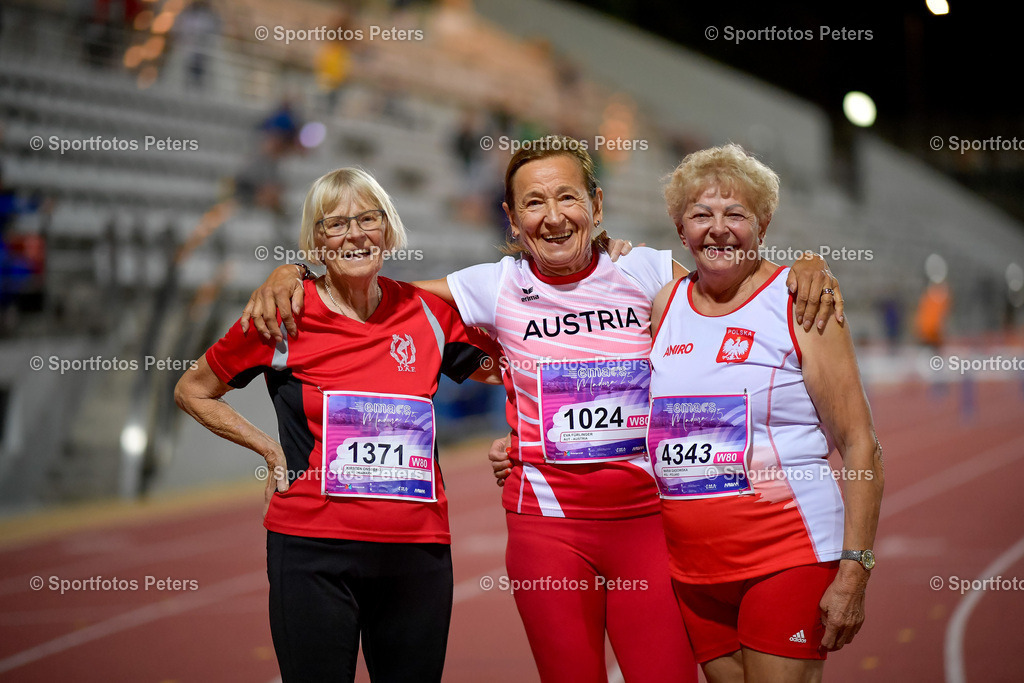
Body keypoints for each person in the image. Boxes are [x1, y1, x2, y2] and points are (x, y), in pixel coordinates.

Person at [241, 136, 844, 683]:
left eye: (567, 198)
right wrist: (293, 272)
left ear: (597, 204)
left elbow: (734, 291)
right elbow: (371, 291)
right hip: (546, 528)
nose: (553, 216)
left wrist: (804, 269)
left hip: (649, 526)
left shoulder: (652, 272)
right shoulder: (494, 285)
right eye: (533, 203)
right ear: (512, 217)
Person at [174, 168, 497, 682]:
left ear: (388, 230)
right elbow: (192, 389)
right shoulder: (281, 314)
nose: (355, 234)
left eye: (368, 219)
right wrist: (268, 450)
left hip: (416, 552)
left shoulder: (428, 314)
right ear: (315, 241)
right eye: (336, 224)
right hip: (312, 553)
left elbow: (519, 366)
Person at [648, 144, 883, 682]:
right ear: (681, 228)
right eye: (701, 214)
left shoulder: (801, 302)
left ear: (763, 224)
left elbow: (859, 442)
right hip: (694, 570)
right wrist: (518, 440)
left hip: (787, 555)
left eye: (736, 215)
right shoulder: (665, 304)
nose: (718, 229)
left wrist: (855, 570)